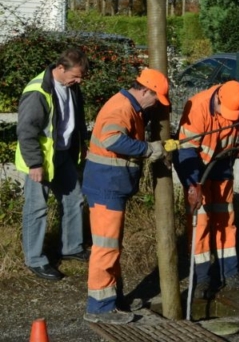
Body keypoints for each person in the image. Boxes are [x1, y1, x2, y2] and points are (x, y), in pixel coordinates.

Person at [81, 68, 177, 325]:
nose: (155, 103)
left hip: (109, 186)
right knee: (106, 248)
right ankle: (100, 307)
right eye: (155, 98)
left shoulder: (129, 106)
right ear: (145, 90)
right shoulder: (121, 108)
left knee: (111, 247)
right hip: (106, 187)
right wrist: (148, 149)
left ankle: (112, 299)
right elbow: (112, 140)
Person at [173, 79, 239, 298]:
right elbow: (186, 151)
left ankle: (230, 273)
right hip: (197, 167)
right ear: (217, 99)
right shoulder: (197, 107)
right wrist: (192, 185)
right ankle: (201, 279)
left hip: (222, 163)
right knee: (200, 223)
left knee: (225, 219)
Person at [15, 48, 91, 282]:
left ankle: (71, 247)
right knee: (37, 209)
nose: (78, 81)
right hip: (40, 161)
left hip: (63, 154)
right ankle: (35, 259)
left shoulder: (71, 86)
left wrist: (80, 145)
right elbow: (26, 132)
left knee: (74, 199)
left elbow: (74, 120)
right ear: (60, 68)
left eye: (80, 77)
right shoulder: (38, 91)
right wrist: (35, 164)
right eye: (75, 76)